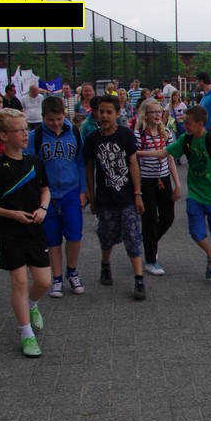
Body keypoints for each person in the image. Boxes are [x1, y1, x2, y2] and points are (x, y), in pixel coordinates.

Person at [0, 108, 51, 358]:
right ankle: (26, 334)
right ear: (4, 136)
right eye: (19, 130)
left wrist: (43, 208)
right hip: (10, 232)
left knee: (43, 282)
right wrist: (12, 214)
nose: (25, 133)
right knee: (19, 282)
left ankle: (32, 305)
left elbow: (45, 190)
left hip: (35, 230)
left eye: (26, 129)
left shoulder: (34, 162)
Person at [137, 105, 211, 283]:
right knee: (196, 233)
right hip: (195, 195)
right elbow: (164, 153)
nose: (185, 126)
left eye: (188, 123)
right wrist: (137, 152)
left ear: (200, 124)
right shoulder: (186, 139)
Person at [84, 94, 147, 300]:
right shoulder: (92, 139)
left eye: (109, 112)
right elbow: (89, 169)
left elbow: (133, 164)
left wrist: (137, 194)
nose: (104, 115)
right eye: (101, 111)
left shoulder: (126, 135)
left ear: (118, 114)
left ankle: (139, 279)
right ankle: (105, 264)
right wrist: (92, 197)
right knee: (107, 235)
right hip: (105, 198)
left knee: (132, 236)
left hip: (127, 197)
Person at [26, 96, 87, 299]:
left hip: (70, 191)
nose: (55, 123)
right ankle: (57, 277)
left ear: (64, 115)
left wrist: (83, 190)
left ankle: (72, 271)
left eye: (59, 119)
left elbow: (80, 162)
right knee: (52, 238)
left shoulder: (74, 132)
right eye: (51, 120)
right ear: (43, 117)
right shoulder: (36, 136)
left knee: (74, 234)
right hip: (47, 195)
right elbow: (29, 166)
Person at [133, 99, 181, 276]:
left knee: (168, 217)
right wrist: (136, 190)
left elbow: (170, 158)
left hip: (163, 179)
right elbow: (133, 160)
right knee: (150, 219)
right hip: (146, 180)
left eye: (159, 111)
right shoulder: (138, 135)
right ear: (145, 115)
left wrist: (177, 183)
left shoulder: (166, 133)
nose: (157, 114)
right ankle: (151, 260)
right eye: (153, 112)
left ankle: (149, 242)